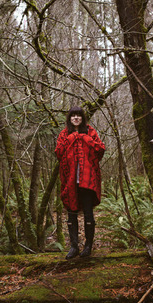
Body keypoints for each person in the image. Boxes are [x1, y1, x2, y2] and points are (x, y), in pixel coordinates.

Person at [55, 106, 105, 259]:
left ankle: (88, 246)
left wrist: (84, 138)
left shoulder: (90, 132)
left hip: (87, 181)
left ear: (83, 118)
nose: (76, 118)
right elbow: (58, 152)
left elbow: (100, 149)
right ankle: (74, 246)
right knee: (71, 213)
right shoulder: (64, 134)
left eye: (78, 116)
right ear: (69, 118)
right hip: (70, 180)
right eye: (73, 116)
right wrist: (72, 138)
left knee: (88, 213)